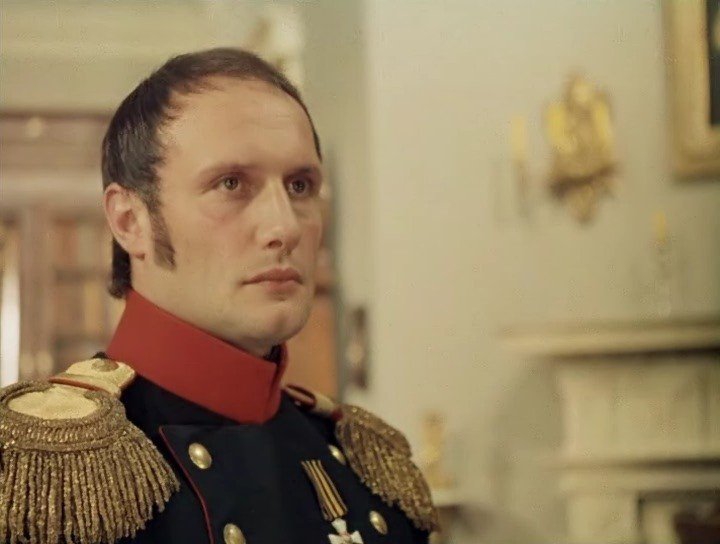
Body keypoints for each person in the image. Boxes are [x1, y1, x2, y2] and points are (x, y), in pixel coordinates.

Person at [0, 48, 438, 544]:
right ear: (130, 221)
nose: (285, 226)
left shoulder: (366, 467)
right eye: (231, 184)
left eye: (300, 185)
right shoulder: (34, 476)